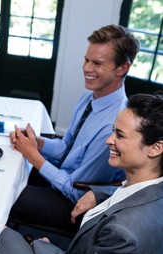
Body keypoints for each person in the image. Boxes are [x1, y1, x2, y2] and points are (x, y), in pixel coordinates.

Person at [0, 93, 163, 254]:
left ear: (155, 148)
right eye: (113, 131)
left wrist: (44, 247)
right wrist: (99, 193)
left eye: (120, 135)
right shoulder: (150, 186)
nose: (108, 140)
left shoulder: (123, 233)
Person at [8, 24, 140, 233]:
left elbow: (77, 190)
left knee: (4, 194)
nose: (87, 68)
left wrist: (35, 157)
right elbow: (65, 147)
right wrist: (37, 142)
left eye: (97, 63)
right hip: (62, 175)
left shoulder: (113, 127)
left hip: (70, 201)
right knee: (7, 165)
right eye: (86, 60)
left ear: (122, 68)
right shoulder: (89, 96)